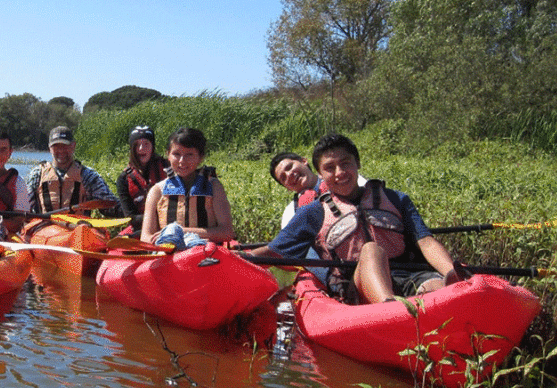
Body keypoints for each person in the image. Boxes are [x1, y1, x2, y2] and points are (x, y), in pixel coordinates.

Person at [250, 134, 469, 304]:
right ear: (321, 174)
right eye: (329, 168)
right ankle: (389, 309)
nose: (339, 172)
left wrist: (452, 272)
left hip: (409, 275)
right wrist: (238, 256)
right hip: (356, 284)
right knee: (371, 250)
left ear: (357, 164)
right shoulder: (312, 212)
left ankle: (447, 291)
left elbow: (426, 241)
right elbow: (274, 252)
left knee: (440, 287)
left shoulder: (396, 198)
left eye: (345, 163)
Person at [141, 127, 235, 249]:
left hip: (205, 258)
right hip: (169, 259)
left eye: (189, 155)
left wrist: (181, 232)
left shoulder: (214, 186)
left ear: (200, 157)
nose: (182, 161)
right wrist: (166, 239)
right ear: (168, 155)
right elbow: (145, 237)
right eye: (176, 154)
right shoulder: (157, 191)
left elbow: (226, 232)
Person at [26, 126, 123, 216]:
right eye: (56, 146)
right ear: (50, 148)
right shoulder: (37, 174)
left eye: (65, 145)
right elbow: (26, 206)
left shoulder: (87, 175)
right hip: (46, 230)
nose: (61, 150)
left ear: (73, 145)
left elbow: (111, 205)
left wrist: (132, 212)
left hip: (77, 230)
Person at [270, 151, 365, 228]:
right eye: (283, 177)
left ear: (304, 161)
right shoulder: (291, 213)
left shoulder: (343, 178)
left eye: (289, 167)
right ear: (287, 188)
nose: (289, 175)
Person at [115, 125, 169, 233]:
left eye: (146, 144)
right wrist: (153, 219)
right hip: (142, 228)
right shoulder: (123, 179)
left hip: (170, 224)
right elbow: (131, 217)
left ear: (152, 147)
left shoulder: (168, 167)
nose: (141, 148)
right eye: (137, 145)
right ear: (132, 148)